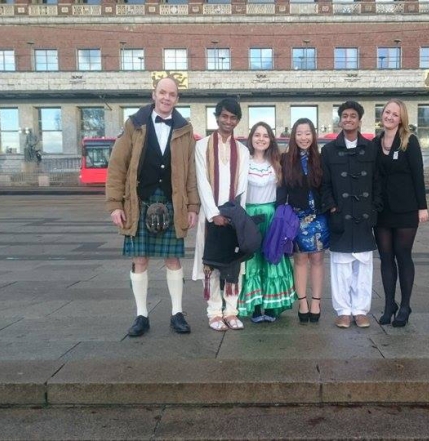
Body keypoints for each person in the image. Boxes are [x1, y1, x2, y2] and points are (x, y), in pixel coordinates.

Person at [105, 77, 200, 337]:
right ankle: (141, 315)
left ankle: (177, 313)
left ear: (177, 99)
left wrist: (193, 205)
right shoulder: (134, 124)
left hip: (172, 200)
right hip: (139, 200)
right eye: (162, 93)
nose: (167, 98)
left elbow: (191, 171)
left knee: (173, 257)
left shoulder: (184, 128)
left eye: (172, 94)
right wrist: (115, 204)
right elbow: (117, 166)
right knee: (140, 258)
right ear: (153, 94)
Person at [321, 101, 381, 329]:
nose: (348, 119)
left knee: (363, 268)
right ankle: (344, 311)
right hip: (341, 217)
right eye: (344, 115)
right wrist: (332, 207)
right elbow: (324, 184)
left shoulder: (370, 148)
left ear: (359, 120)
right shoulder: (328, 150)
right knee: (340, 268)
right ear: (340, 120)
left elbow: (378, 182)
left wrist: (374, 207)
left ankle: (360, 310)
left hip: (364, 216)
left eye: (352, 116)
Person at [193, 98, 249, 331]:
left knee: (234, 264)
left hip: (234, 217)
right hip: (211, 216)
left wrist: (235, 216)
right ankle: (214, 312)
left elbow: (243, 185)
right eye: (224, 116)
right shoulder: (202, 146)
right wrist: (214, 213)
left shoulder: (243, 150)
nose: (228, 121)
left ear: (237, 121)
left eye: (233, 117)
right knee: (212, 264)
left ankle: (232, 310)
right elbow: (202, 181)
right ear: (217, 117)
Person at [374, 99, 429, 328]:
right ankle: (389, 304)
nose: (389, 117)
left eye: (395, 114)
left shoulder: (409, 141)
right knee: (386, 258)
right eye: (387, 112)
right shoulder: (376, 142)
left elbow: (418, 175)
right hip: (382, 211)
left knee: (402, 255)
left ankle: (405, 305)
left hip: (406, 209)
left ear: (401, 118)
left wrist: (422, 207)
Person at [237, 122, 297, 323]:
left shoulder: (278, 162)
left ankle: (272, 305)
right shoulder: (243, 162)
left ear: (271, 139)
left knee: (273, 257)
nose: (261, 139)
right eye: (257, 135)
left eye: (265, 135)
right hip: (250, 215)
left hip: (272, 214)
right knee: (252, 260)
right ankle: (254, 305)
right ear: (251, 138)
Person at [277, 118, 329, 324]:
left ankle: (316, 301)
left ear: (313, 135)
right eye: (299, 133)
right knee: (300, 260)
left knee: (317, 259)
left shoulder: (321, 158)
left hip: (319, 218)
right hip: (296, 218)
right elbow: (281, 189)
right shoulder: (285, 159)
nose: (303, 137)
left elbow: (326, 187)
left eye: (307, 133)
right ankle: (302, 301)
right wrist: (279, 214)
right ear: (293, 136)